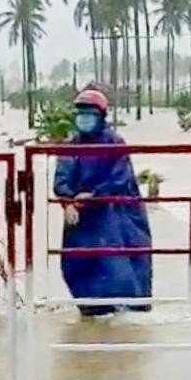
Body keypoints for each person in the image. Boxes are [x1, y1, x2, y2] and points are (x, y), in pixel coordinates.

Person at [53, 88, 152, 317]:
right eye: (81, 114)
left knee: (122, 268)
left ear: (101, 116)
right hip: (81, 216)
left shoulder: (115, 143)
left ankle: (129, 317)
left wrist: (95, 195)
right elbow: (61, 180)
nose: (84, 119)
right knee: (79, 267)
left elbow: (120, 178)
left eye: (90, 114)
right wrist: (68, 202)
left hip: (117, 213)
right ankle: (92, 315)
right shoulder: (71, 146)